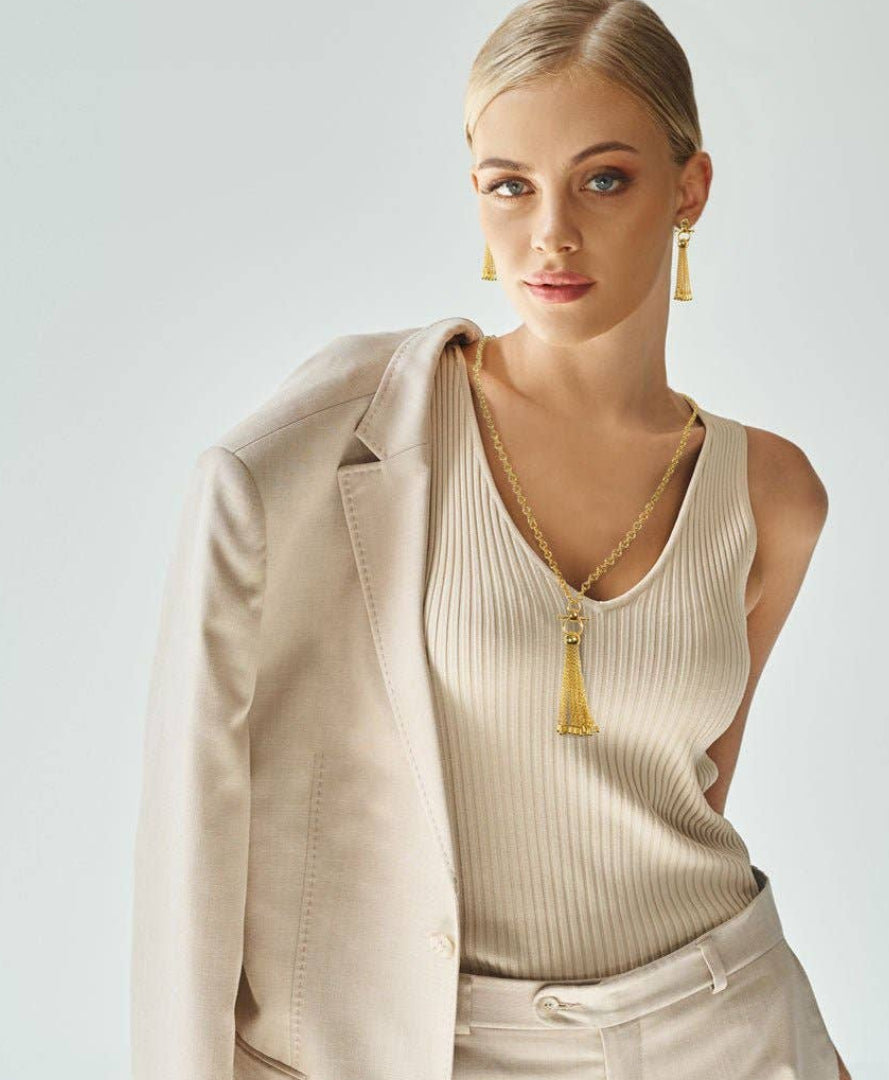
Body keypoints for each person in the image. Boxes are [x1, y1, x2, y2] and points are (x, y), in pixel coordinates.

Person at [130, 1, 850, 1078]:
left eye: (604, 180)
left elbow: (687, 799)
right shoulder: (329, 450)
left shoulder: (773, 494)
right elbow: (193, 835)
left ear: (689, 190)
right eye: (510, 186)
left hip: (730, 1030)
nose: (550, 233)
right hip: (439, 1047)